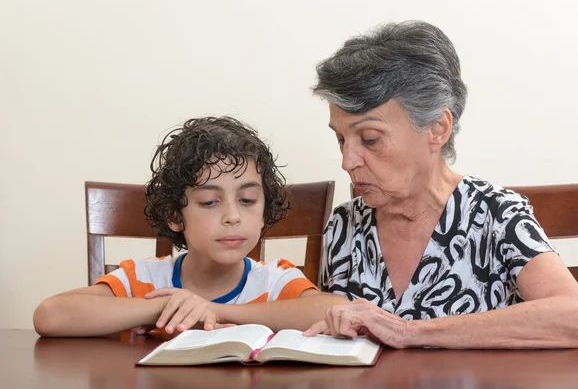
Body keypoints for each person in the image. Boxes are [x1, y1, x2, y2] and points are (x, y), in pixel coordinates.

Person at [303, 20, 578, 348]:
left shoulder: (495, 214)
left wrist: (405, 332)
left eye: (370, 139)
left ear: (438, 129)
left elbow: (573, 319)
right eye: (341, 138)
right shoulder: (345, 226)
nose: (347, 161)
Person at [34, 116, 347, 337]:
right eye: (210, 202)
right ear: (175, 215)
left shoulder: (276, 282)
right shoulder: (144, 280)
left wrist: (213, 310)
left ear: (265, 210)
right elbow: (50, 315)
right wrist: (166, 307)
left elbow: (336, 310)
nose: (233, 216)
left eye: (248, 200)